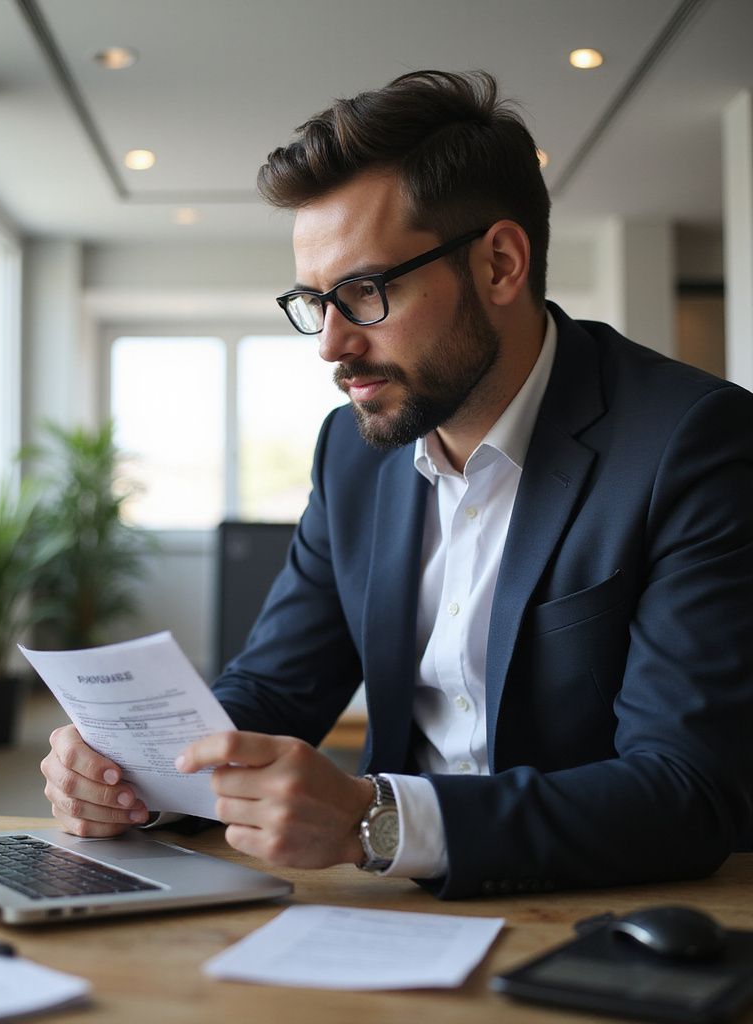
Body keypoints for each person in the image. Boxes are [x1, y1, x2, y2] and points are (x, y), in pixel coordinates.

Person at [41, 70, 753, 898]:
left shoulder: (691, 442)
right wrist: (132, 771)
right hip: (383, 905)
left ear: (500, 265)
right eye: (315, 301)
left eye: (364, 292)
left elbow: (687, 790)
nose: (331, 345)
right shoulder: (352, 453)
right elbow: (276, 685)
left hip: (594, 911)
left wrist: (370, 818)